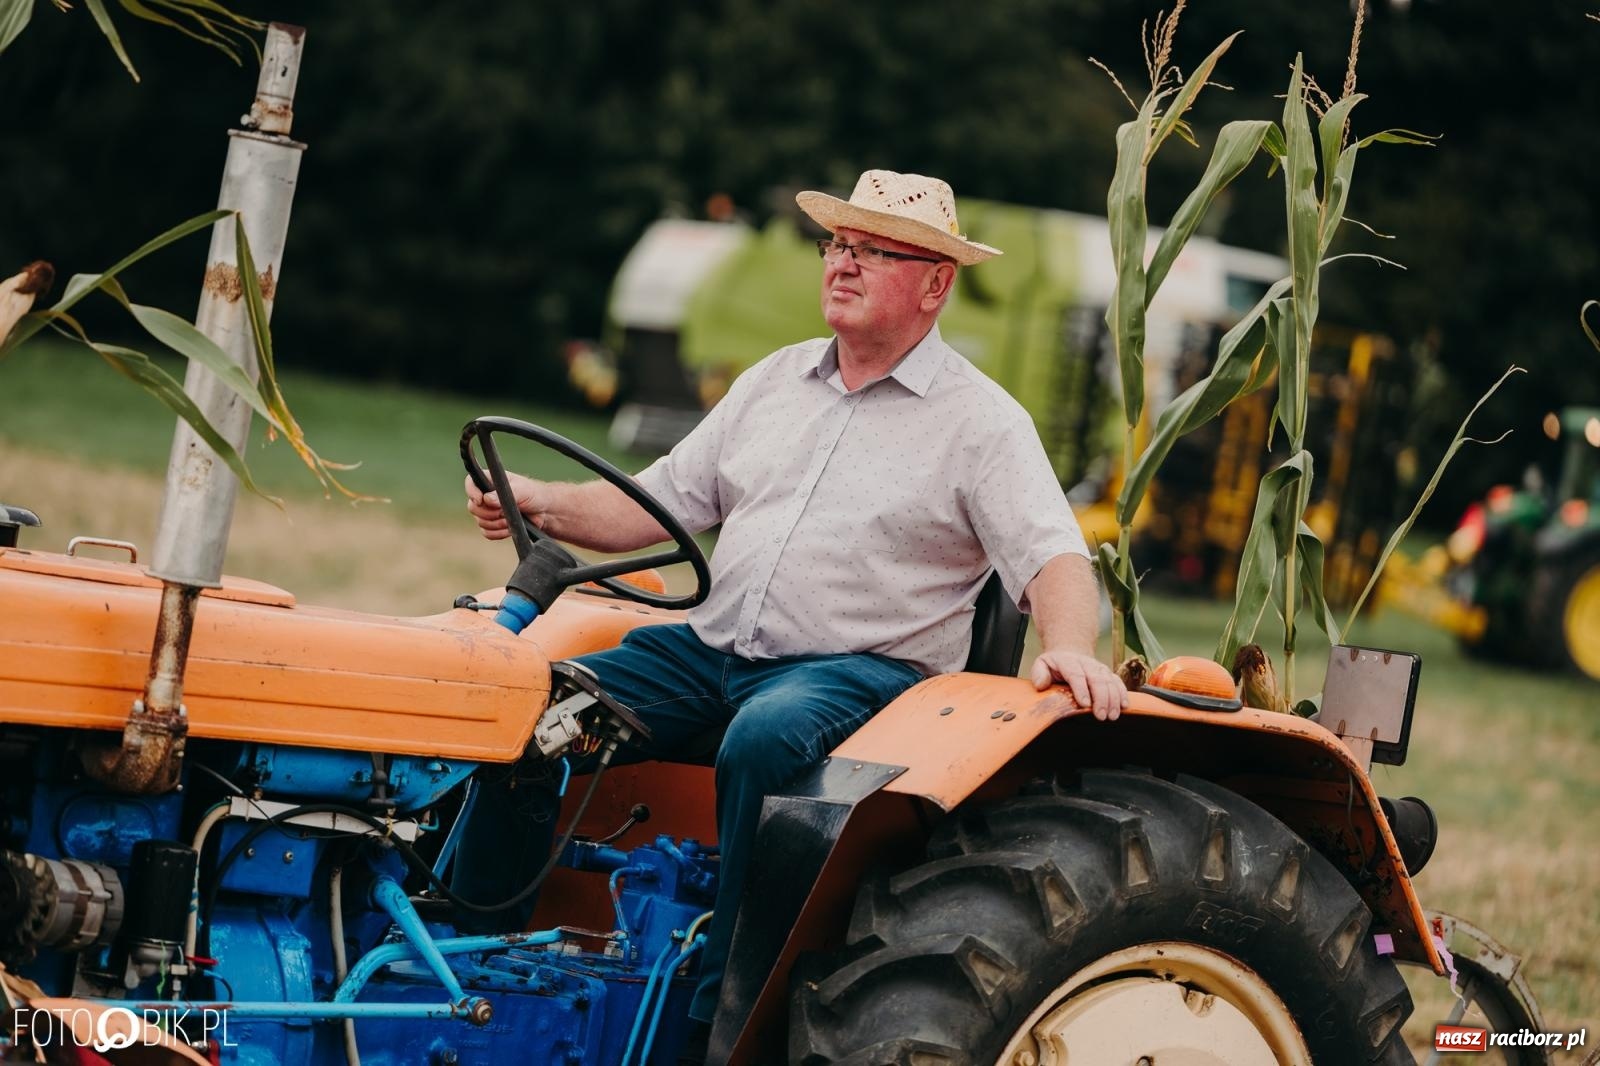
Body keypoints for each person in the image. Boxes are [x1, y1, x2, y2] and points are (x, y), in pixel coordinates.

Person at [457, 170, 1128, 1063]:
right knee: (530, 707)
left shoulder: (983, 425)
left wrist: (1070, 647)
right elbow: (652, 507)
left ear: (936, 283)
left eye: (873, 251)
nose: (843, 264)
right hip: (713, 651)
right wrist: (537, 498)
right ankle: (469, 953)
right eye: (838, 245)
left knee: (766, 739)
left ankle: (722, 1021)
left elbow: (1052, 555)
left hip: (862, 673)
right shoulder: (775, 381)